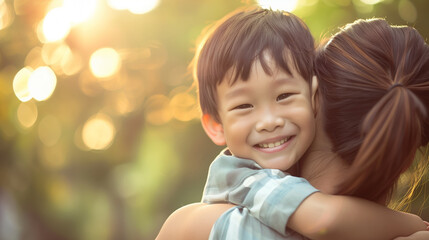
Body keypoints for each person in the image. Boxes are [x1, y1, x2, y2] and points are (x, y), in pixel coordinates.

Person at [156, 7, 429, 240]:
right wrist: (408, 225)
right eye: (243, 106)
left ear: (314, 97)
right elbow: (325, 219)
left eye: (284, 96)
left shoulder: (193, 226)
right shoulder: (241, 174)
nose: (269, 121)